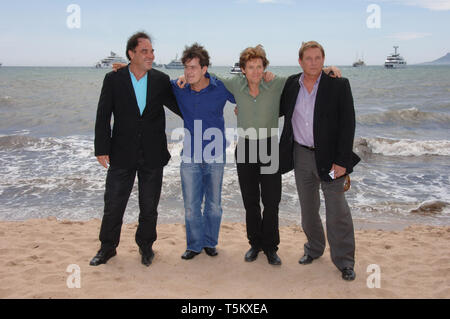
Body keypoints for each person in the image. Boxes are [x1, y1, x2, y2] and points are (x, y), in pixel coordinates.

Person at [178, 45, 340, 266]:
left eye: (259, 66)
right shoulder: (235, 84)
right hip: (244, 148)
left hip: (269, 147)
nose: (255, 71)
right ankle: (255, 244)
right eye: (250, 67)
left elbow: (303, 76)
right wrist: (184, 74)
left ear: (265, 67)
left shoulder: (275, 84)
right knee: (251, 201)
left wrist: (329, 69)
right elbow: (207, 74)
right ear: (243, 69)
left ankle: (271, 248)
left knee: (272, 201)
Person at [90, 31, 181, 267]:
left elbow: (182, 107)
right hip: (121, 153)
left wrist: (204, 101)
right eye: (145, 51)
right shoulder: (114, 79)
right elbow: (103, 115)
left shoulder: (161, 80)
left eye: (151, 51)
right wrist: (101, 147)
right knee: (113, 205)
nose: (150, 55)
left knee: (149, 206)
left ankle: (146, 247)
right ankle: (107, 248)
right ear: (131, 54)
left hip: (153, 153)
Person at [279, 41, 360, 280]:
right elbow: (274, 106)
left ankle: (345, 261)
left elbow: (348, 124)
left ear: (323, 60)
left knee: (337, 210)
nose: (313, 63)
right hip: (301, 155)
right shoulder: (291, 84)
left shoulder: (339, 84)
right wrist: (246, 108)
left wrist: (342, 160)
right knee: (308, 208)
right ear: (300, 61)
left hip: (332, 158)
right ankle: (314, 249)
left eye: (317, 58)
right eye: (308, 58)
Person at [170, 43, 235, 260]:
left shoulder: (221, 88)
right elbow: (151, 81)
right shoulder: (179, 88)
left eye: (194, 68)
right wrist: (126, 67)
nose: (189, 72)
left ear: (204, 69)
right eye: (186, 68)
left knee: (214, 205)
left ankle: (209, 242)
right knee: (191, 206)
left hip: (216, 154)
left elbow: (248, 90)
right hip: (189, 155)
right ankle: (194, 245)